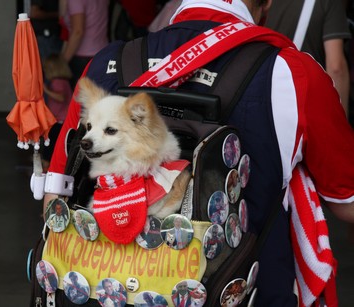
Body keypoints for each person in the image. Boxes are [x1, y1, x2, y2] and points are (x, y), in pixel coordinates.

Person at [44, 0, 354, 305]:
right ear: (266, 4)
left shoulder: (105, 63)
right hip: (246, 290)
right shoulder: (294, 73)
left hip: (111, 290)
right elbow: (347, 201)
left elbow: (56, 199)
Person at [265, 0, 351, 116]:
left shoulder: (263, 3)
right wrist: (341, 122)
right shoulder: (329, 2)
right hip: (309, 104)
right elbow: (336, 67)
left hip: (270, 98)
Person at [62, 0, 110, 87]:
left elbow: (78, 32)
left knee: (81, 96)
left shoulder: (76, 1)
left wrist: (63, 61)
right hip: (103, 51)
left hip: (83, 57)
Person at [41, 53, 73, 170]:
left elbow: (61, 97)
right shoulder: (63, 81)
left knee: (50, 142)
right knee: (53, 142)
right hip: (60, 120)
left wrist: (45, 90)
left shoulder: (57, 82)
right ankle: (47, 162)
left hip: (60, 121)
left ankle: (46, 163)